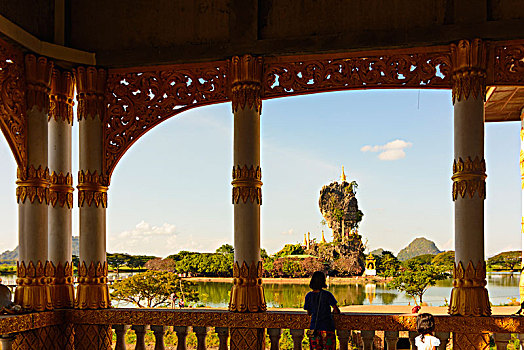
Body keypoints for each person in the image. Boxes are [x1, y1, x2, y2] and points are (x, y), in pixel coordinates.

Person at [304, 271, 340, 350]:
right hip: (327, 328)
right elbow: (336, 310)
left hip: (314, 328)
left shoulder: (308, 296)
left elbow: (309, 313)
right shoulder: (327, 295)